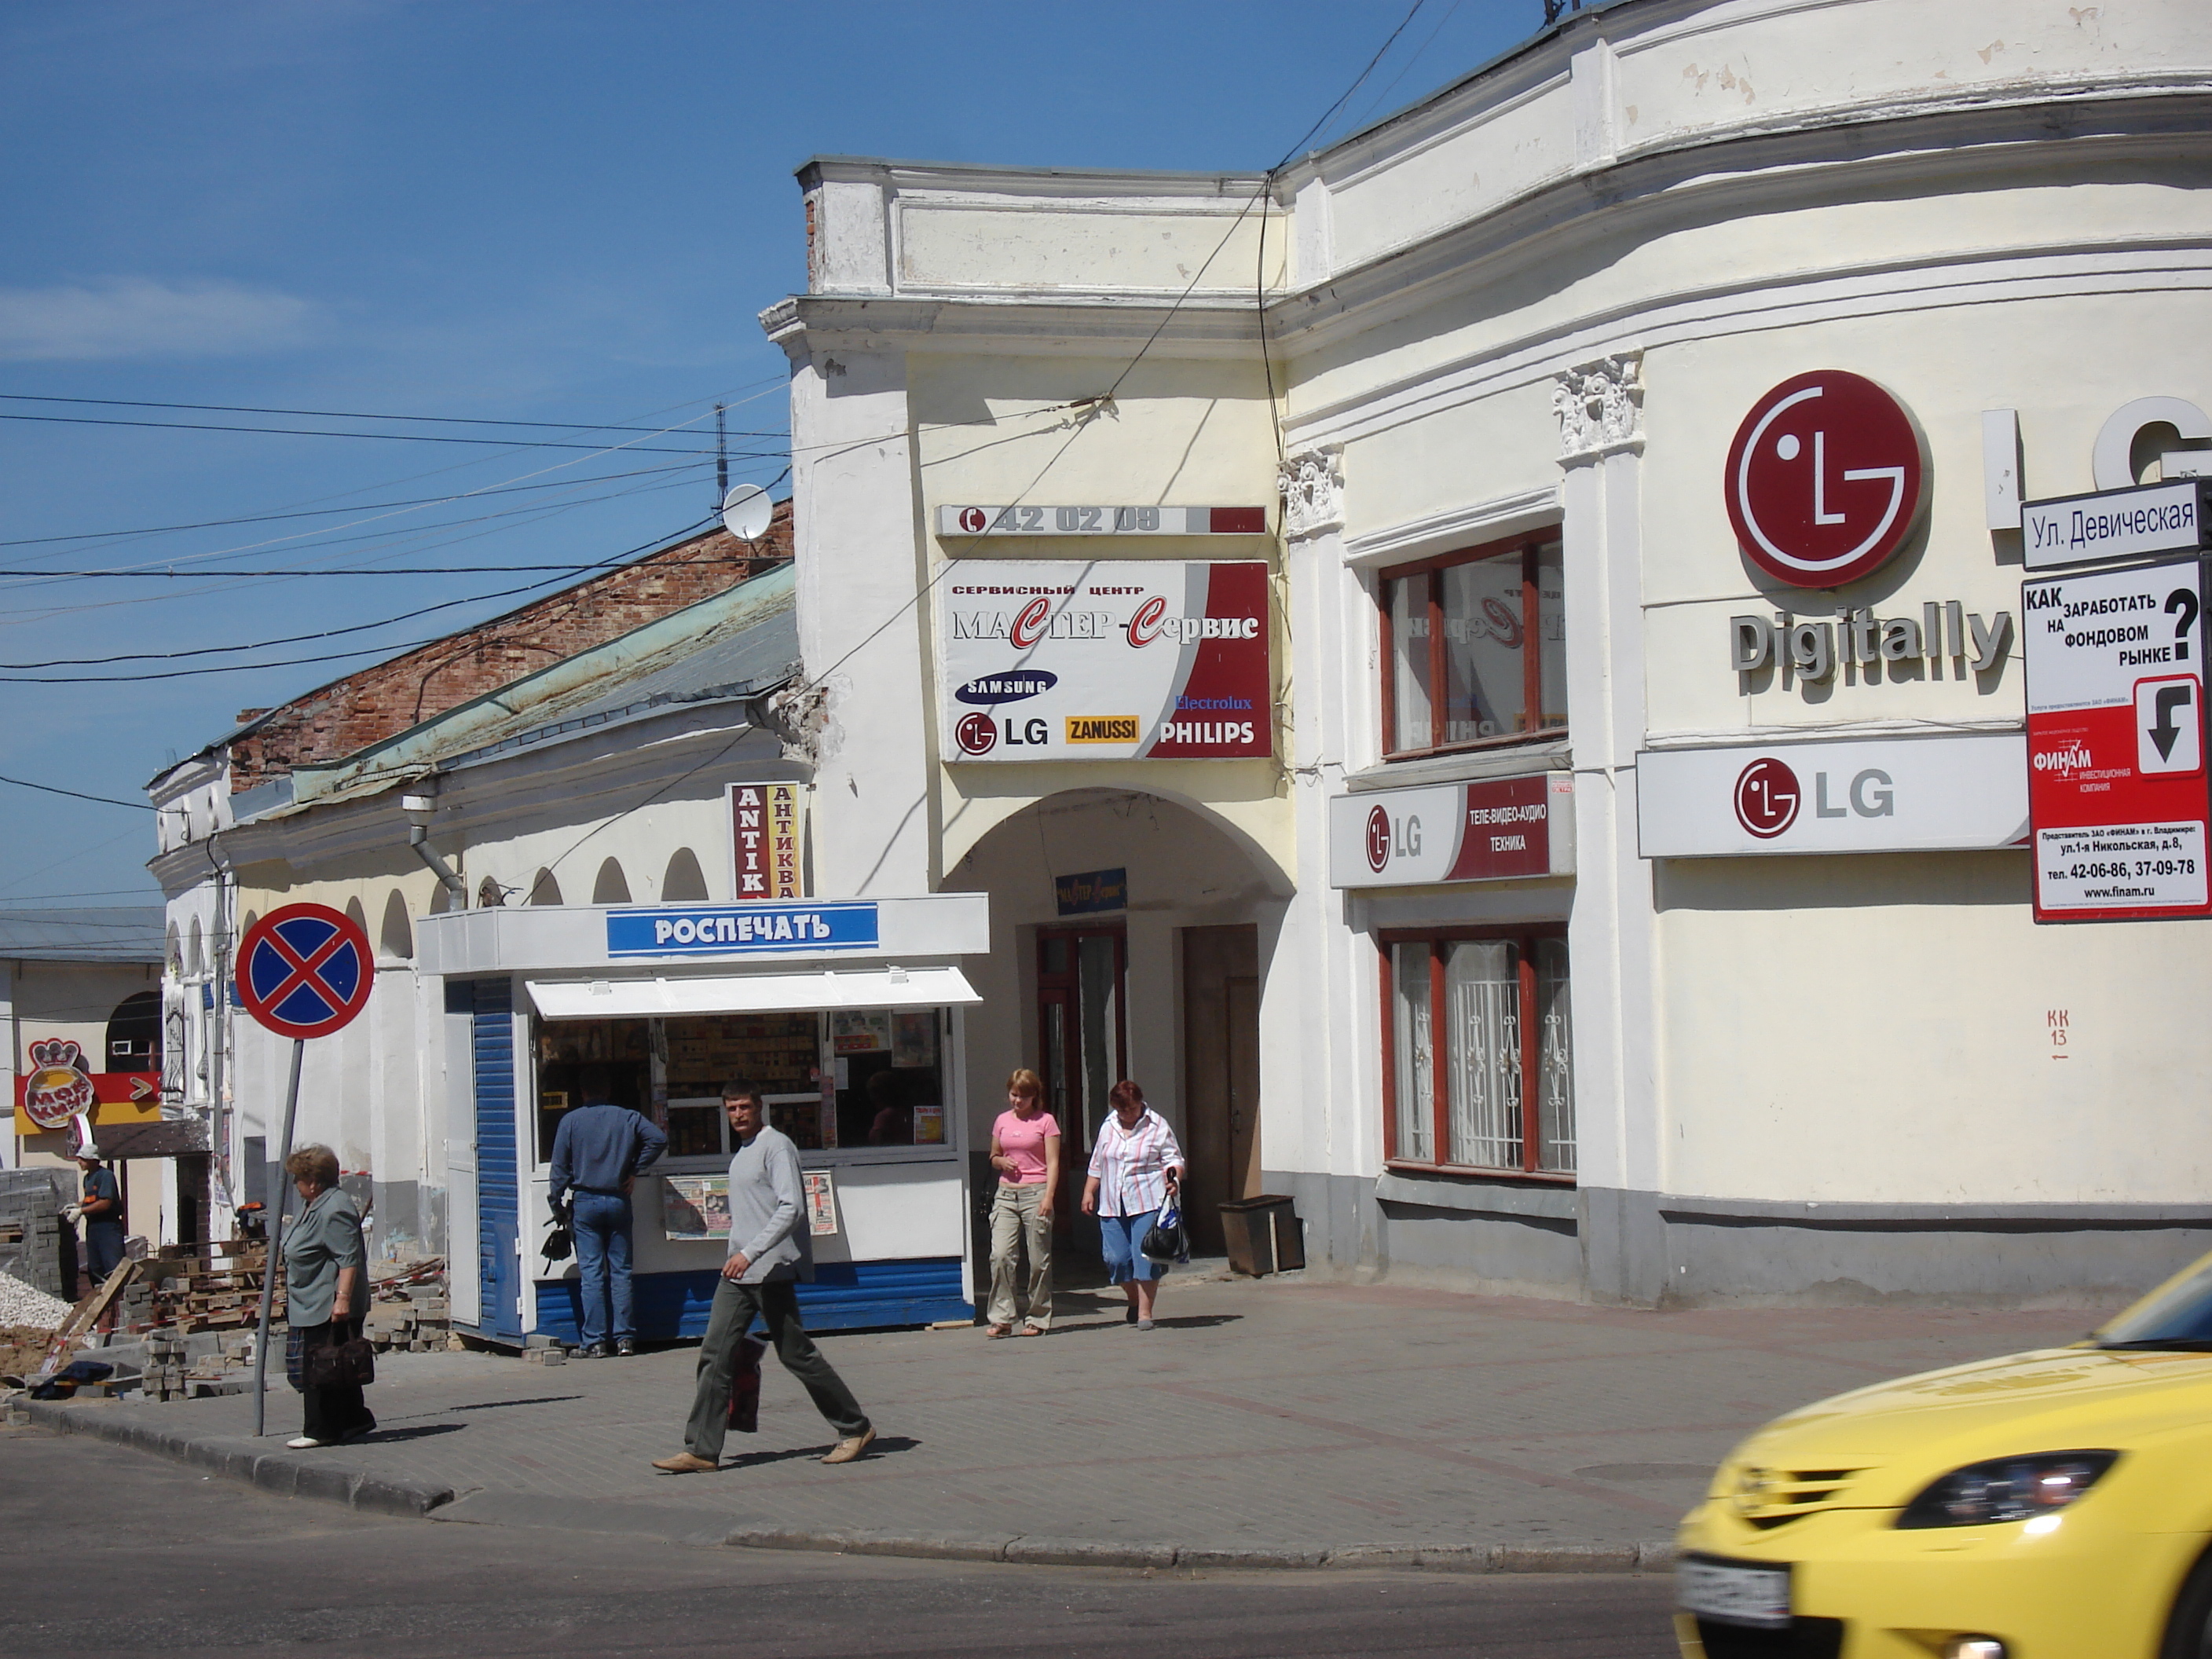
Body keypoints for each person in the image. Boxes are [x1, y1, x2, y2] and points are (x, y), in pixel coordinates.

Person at [654, 1081, 875, 1475]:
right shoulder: (742, 1153)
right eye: (731, 1109)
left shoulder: (776, 1146)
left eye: (744, 1107)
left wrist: (750, 1252)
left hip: (769, 1269)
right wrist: (738, 1254)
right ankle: (702, 1450)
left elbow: (792, 1208)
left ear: (760, 1108)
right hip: (737, 1273)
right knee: (714, 1355)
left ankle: (855, 1427)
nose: (738, 1115)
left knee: (796, 1354)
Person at [548, 1063, 668, 1357]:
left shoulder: (571, 1122)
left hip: (586, 1202)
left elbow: (559, 1169)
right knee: (621, 1271)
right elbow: (658, 1139)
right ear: (610, 1090)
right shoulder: (627, 1117)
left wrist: (556, 1202)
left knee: (591, 1273)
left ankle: (595, 1342)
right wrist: (634, 1170)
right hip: (617, 1199)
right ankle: (625, 1339)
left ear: (582, 1091)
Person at [281, 1144, 375, 1449]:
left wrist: (343, 1299)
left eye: (298, 1179)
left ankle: (321, 1429)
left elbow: (348, 1259)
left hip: (327, 1302)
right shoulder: (314, 1205)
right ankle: (354, 1419)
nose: (295, 1186)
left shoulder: (335, 1209)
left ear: (313, 1181)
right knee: (338, 1365)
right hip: (309, 1298)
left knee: (321, 1367)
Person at [1082, 1079, 1185, 1331]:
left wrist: (1174, 1180)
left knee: (1146, 1257)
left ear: (1140, 1103)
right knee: (1115, 1259)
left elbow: (1173, 1158)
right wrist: (1088, 1191)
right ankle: (1134, 1298)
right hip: (1112, 1201)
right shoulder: (1109, 1126)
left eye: (1131, 1109)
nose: (1127, 1114)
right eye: (1122, 1110)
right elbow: (1098, 1162)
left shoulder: (1158, 1125)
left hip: (1147, 1199)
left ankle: (1144, 1313)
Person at [985, 1068, 1059, 1337]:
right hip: (1006, 1193)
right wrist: (1001, 1161)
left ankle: (1038, 1317)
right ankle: (1002, 1317)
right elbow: (994, 1155)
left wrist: (1049, 1196)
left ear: (1034, 1096)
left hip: (1036, 1192)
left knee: (1039, 1259)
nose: (1017, 1101)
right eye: (1014, 1095)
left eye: (1023, 1097)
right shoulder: (1002, 1121)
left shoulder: (1046, 1122)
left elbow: (1052, 1162)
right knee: (1001, 1255)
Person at [73, 1144, 125, 1289]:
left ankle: (118, 1298)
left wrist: (81, 1211)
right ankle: (100, 1298)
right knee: (95, 1267)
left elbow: (105, 1203)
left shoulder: (105, 1176)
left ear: (92, 1160)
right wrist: (76, 1206)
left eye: (82, 1159)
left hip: (107, 1226)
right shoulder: (87, 1178)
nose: (79, 1162)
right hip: (93, 1227)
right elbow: (90, 1200)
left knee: (112, 1266)